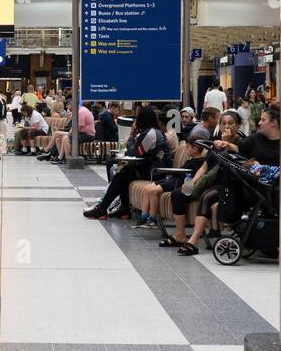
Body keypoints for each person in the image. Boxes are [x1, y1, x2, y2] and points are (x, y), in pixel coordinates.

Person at [85, 105, 171, 220]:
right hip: (150, 168)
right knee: (124, 173)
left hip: (156, 172)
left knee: (121, 176)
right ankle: (123, 208)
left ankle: (103, 209)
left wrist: (131, 134)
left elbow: (133, 152)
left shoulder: (152, 134)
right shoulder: (151, 132)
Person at [179, 110, 245, 254]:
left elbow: (242, 155)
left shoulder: (242, 142)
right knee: (186, 194)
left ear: (238, 125)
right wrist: (192, 182)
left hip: (235, 183)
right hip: (217, 182)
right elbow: (204, 167)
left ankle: (194, 239)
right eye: (223, 123)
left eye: (231, 123)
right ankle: (191, 238)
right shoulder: (216, 142)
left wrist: (227, 143)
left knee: (207, 197)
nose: (227, 126)